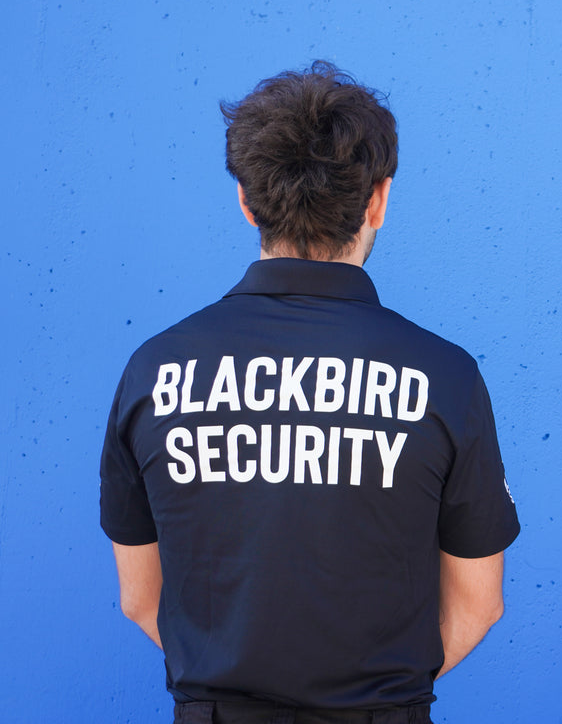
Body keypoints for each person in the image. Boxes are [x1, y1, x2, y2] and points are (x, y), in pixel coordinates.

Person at [100, 61, 520, 724]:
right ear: (379, 199)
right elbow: (479, 602)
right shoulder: (444, 377)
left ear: (245, 200)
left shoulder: (154, 372)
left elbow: (139, 598)